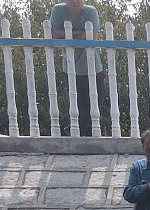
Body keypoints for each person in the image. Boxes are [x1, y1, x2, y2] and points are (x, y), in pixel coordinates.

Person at [50, 0, 105, 136]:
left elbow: (93, 36)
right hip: (70, 69)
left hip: (94, 69)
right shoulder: (58, 10)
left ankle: (93, 140)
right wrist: (80, 34)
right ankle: (78, 139)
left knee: (95, 109)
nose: (75, 1)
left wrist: (68, 35)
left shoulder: (91, 11)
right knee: (76, 109)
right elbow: (53, 34)